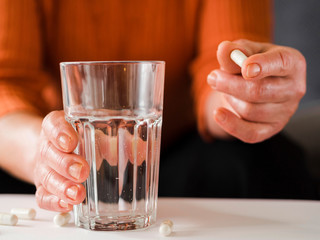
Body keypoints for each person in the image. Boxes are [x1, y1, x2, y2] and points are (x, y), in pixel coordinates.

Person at [0, 0, 316, 212]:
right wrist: (45, 155)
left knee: (261, 160)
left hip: (179, 149)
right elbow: (6, 82)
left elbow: (218, 68)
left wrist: (246, 94)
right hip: (53, 151)